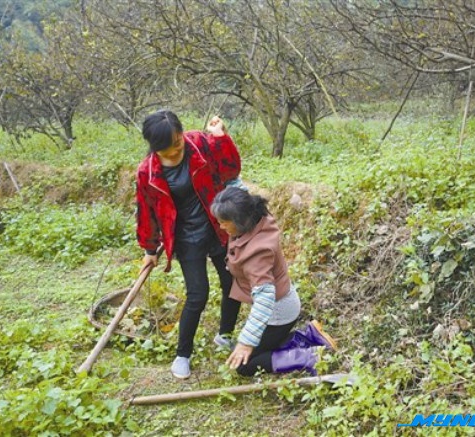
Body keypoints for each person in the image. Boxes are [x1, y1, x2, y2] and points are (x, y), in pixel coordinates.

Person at [136, 110, 242, 379]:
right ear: (154, 147)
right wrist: (150, 250)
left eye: (177, 141)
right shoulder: (148, 173)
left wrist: (220, 138)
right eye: (167, 147)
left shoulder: (198, 144)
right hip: (186, 237)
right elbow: (146, 211)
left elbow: (231, 167)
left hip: (216, 226)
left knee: (232, 282)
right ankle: (183, 354)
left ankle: (225, 336)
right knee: (198, 294)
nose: (175, 150)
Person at [210, 186, 337, 377]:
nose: (221, 227)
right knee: (252, 348)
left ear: (240, 220)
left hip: (278, 311)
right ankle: (307, 337)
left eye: (224, 222)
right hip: (283, 301)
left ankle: (308, 356)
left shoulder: (257, 253)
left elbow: (264, 299)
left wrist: (247, 342)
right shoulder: (256, 221)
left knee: (244, 365)